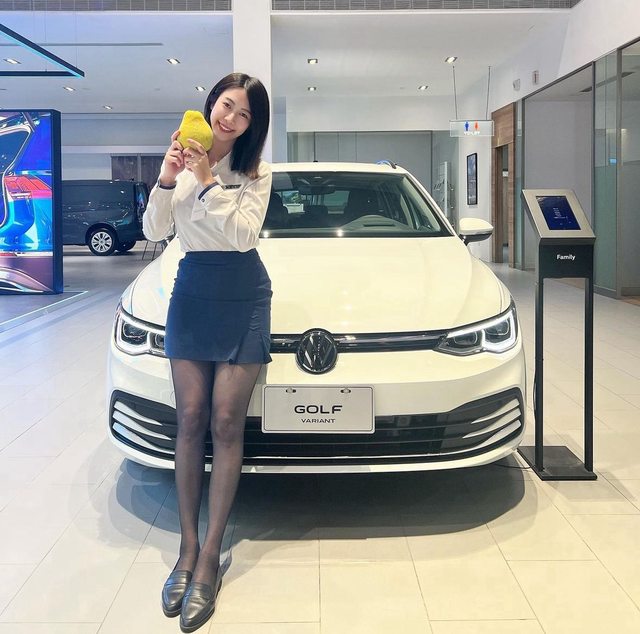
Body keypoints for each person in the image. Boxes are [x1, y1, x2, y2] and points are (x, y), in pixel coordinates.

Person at [143, 72, 272, 633]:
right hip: (192, 292)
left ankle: (212, 556)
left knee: (225, 421)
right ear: (211, 105)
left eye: (244, 114)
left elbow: (243, 236)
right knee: (191, 418)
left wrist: (206, 180)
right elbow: (154, 229)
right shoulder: (181, 156)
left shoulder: (256, 173)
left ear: (252, 125)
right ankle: (187, 550)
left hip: (243, 294)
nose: (231, 119)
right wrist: (168, 178)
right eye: (227, 105)